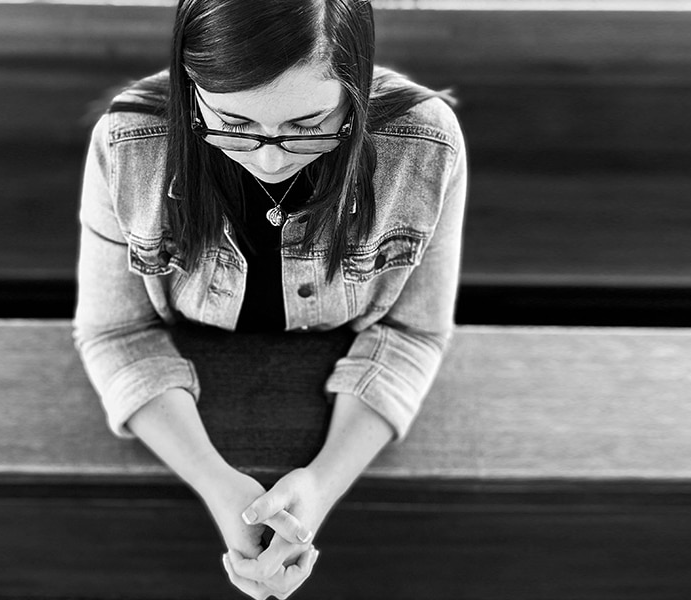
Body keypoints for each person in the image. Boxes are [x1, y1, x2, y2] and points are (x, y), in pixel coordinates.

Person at [73, 0, 466, 596]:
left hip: (344, 411)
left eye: (308, 126)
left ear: (355, 85)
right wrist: (218, 484)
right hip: (189, 412)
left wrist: (320, 485)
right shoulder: (130, 141)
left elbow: (414, 331)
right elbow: (115, 331)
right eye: (234, 123)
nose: (271, 158)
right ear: (190, 89)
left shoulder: (423, 142)